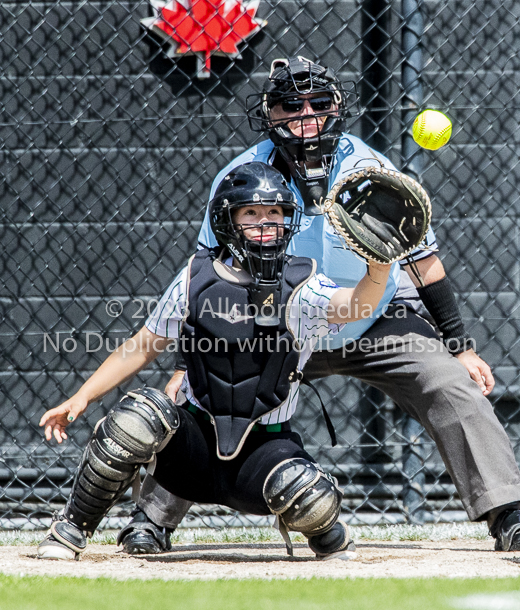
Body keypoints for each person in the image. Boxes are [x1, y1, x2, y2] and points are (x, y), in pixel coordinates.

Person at [119, 56, 520, 556]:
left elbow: (424, 262)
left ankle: (509, 514)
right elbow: (209, 277)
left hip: (376, 315)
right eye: (290, 104)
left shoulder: (370, 169)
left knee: (448, 383)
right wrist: (187, 363)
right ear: (269, 113)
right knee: (207, 392)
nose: (305, 114)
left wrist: (460, 346)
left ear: (336, 108)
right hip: (277, 321)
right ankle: (151, 520)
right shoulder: (244, 177)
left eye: (319, 102)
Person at [37, 162, 393, 561]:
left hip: (263, 452)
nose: (265, 223)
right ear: (228, 221)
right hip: (192, 451)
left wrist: (378, 267)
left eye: (275, 213)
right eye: (251, 213)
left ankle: (328, 533)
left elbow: (356, 305)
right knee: (137, 417)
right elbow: (143, 345)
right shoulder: (196, 276)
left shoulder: (304, 282)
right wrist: (81, 398)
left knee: (308, 493)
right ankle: (70, 530)